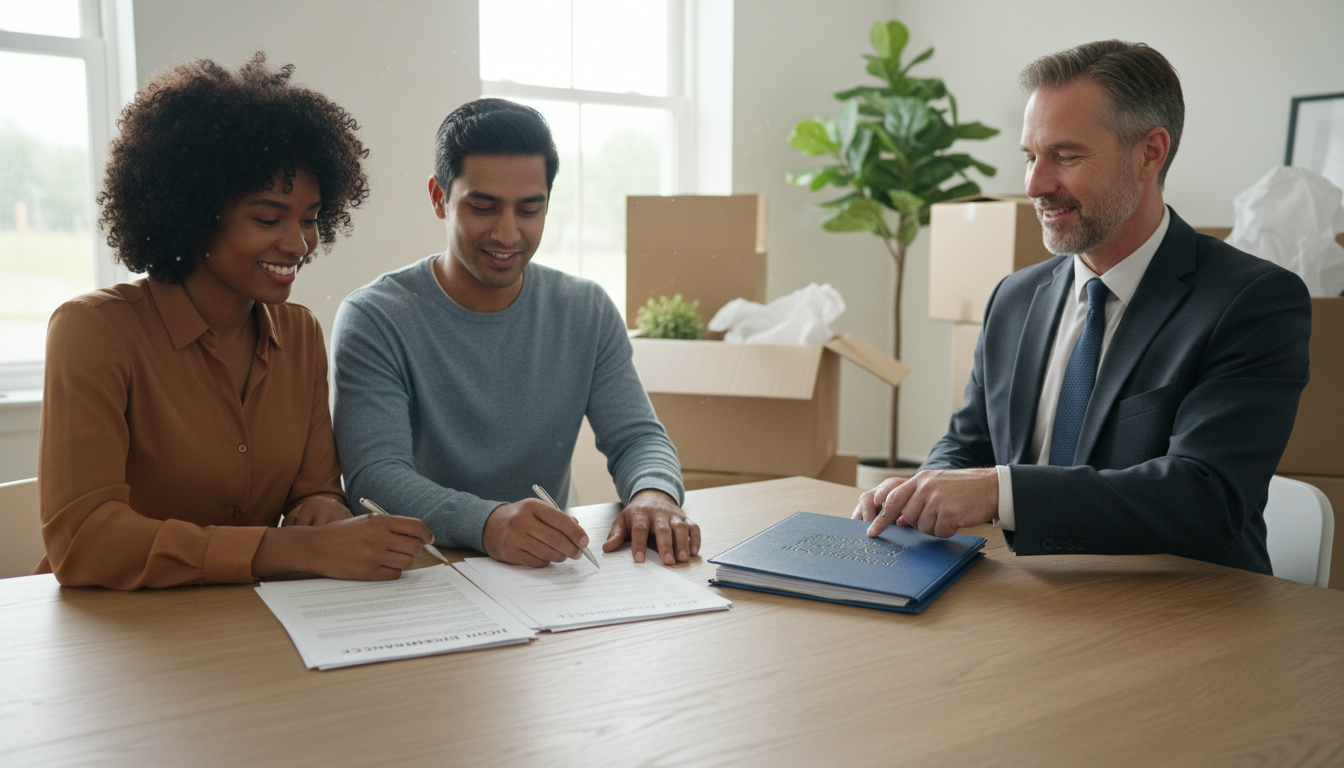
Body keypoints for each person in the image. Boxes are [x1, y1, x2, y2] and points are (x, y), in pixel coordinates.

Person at [855, 40, 1311, 574]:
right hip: (1026, 599)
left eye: (1065, 157)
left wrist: (999, 491)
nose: (1034, 185)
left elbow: (1205, 496)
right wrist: (922, 489)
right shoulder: (1014, 297)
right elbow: (968, 442)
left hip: (1180, 614)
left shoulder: (1252, 301)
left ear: (1150, 153)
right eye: (1030, 156)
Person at [38, 53, 435, 589]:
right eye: (268, 218)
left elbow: (314, 488)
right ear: (195, 212)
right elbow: (84, 540)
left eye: (311, 219)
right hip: (112, 629)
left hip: (248, 621)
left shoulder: (299, 333)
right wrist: (287, 547)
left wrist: (320, 509)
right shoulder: (93, 332)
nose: (299, 245)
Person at [331, 98, 698, 568]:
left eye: (529, 209)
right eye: (483, 207)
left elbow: (637, 438)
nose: (507, 234)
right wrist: (487, 523)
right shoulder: (375, 317)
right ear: (438, 197)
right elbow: (374, 476)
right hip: (424, 567)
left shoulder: (585, 309)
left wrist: (654, 493)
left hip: (547, 568)